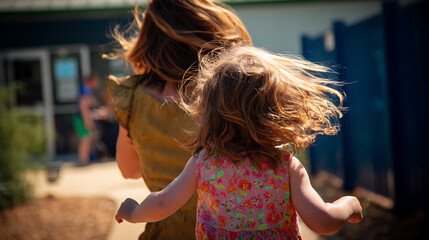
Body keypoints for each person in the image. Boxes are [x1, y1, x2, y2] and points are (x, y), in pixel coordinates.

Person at [115, 46, 363, 239]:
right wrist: (348, 204)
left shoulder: (203, 163)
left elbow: (162, 203)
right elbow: (322, 222)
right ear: (276, 111)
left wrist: (133, 212)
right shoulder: (285, 166)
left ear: (208, 112)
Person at [106, 0, 251, 239]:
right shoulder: (227, 95)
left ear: (149, 39)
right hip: (226, 229)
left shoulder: (131, 98)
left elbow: (129, 170)